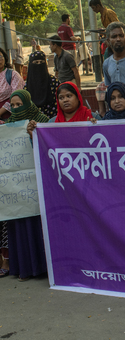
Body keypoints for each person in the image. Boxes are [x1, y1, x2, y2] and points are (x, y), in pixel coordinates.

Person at [1, 90, 49, 281]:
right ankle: (24, 268)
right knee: (19, 226)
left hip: (37, 186)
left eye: (19, 104)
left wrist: (34, 134)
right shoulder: (8, 128)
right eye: (12, 106)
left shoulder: (42, 120)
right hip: (15, 192)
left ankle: (42, 267)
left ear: (28, 103)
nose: (15, 109)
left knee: (36, 226)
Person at [24, 51, 59, 119]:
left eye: (42, 62)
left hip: (52, 120)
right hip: (33, 123)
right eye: (36, 63)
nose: (39, 65)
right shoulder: (27, 86)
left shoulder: (53, 82)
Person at [0, 47, 25, 121]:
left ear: (5, 58)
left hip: (10, 118)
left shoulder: (12, 74)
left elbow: (16, 96)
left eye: (0, 57)